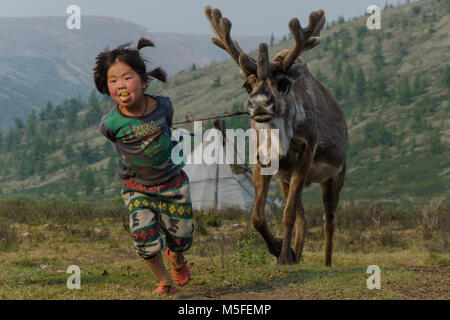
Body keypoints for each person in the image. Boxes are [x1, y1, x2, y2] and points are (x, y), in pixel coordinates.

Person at [93, 38, 193, 295]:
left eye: (127, 78)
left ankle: (177, 257)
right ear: (107, 87)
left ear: (144, 81)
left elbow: (168, 128)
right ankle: (164, 280)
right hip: (137, 186)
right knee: (143, 236)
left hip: (172, 181)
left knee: (182, 237)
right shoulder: (110, 123)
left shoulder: (163, 106)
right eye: (113, 81)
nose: (120, 85)